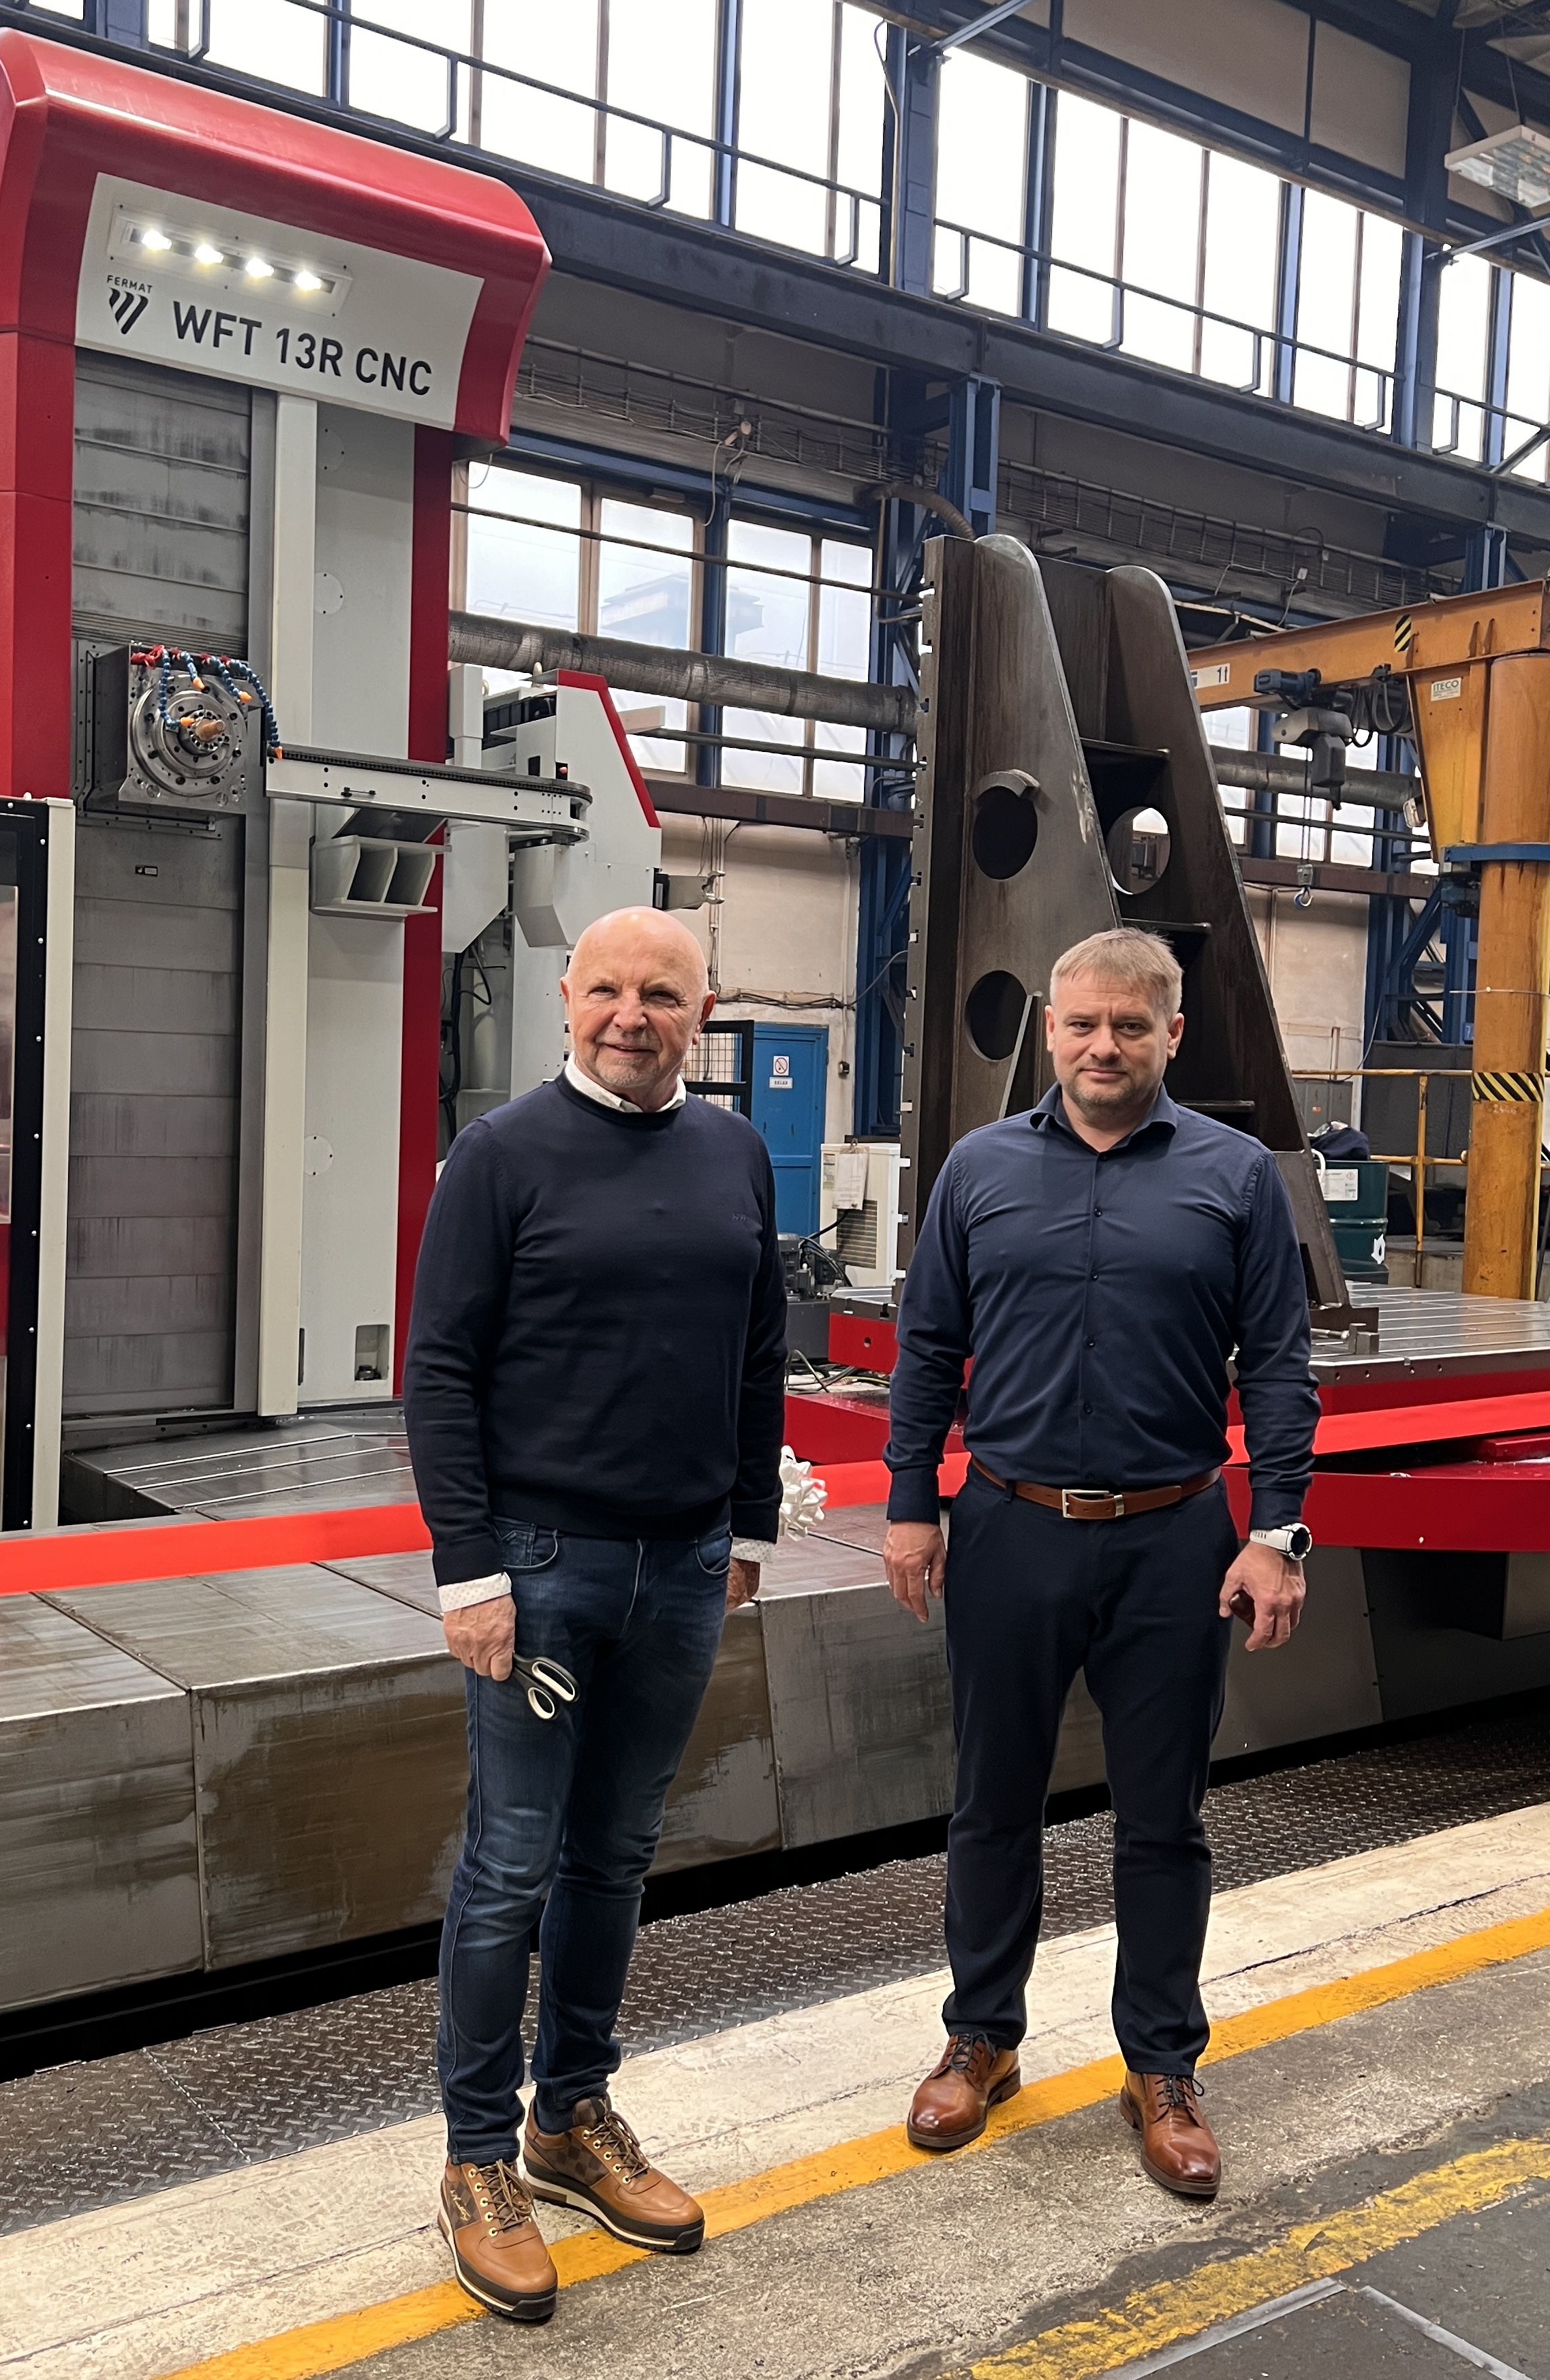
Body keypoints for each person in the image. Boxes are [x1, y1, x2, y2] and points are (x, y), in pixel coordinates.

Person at [882, 926, 1317, 2201]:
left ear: (1171, 1034)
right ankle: (982, 2038)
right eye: (1080, 1024)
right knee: (990, 1799)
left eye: (1130, 1025)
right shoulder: (978, 1170)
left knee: (1161, 1816)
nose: (1102, 1046)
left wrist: (1275, 1529)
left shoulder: (1234, 1177)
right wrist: (912, 1504)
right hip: (1009, 1527)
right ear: (1051, 1031)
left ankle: (1161, 2066)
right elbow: (925, 1349)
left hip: (1173, 1537)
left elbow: (1279, 1367)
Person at [405, 906, 788, 2324]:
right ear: (566, 997)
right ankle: (473, 2155)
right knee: (510, 1861)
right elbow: (438, 1372)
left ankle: (571, 2113)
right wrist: (470, 1572)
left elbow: (761, 1356)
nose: (632, 1014)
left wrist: (744, 1529)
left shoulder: (734, 1153)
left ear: (704, 1009)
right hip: (542, 1563)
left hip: (683, 1562)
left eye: (664, 994)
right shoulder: (498, 1157)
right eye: (609, 990)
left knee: (617, 1854)